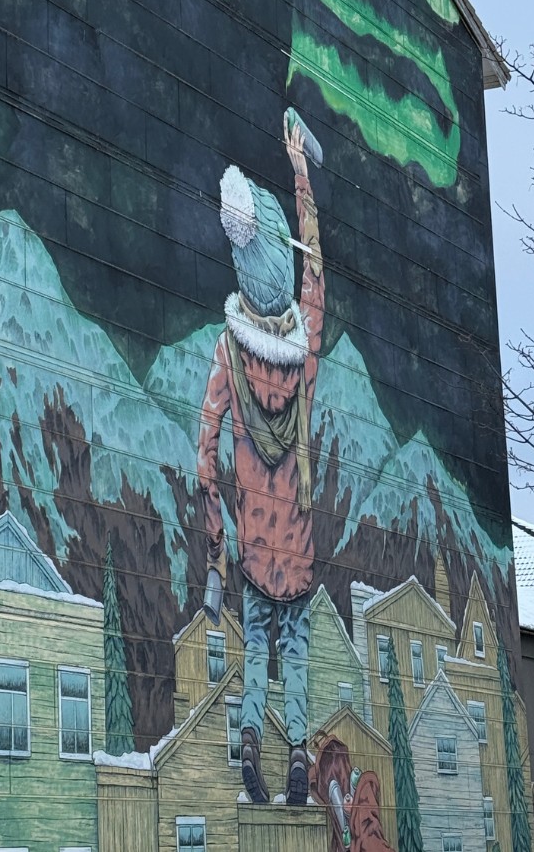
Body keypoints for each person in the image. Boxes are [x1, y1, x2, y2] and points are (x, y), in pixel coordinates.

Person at [197, 111, 324, 805]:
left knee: (254, 655)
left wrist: (219, 540)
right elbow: (316, 258)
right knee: (296, 651)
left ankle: (251, 740)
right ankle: (299, 751)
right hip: (299, 548)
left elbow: (204, 450)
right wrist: (300, 169)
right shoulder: (306, 348)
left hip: (253, 552)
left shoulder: (227, 352)